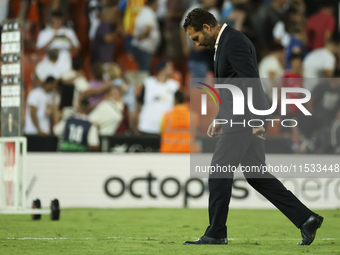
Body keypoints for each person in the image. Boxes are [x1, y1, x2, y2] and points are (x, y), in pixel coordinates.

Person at [182, 8, 323, 246]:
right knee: (257, 175)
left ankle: (216, 233)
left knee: (218, 172)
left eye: (196, 38)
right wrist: (220, 117)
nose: (196, 44)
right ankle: (306, 218)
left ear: (206, 27)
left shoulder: (233, 41)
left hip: (244, 119)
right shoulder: (226, 42)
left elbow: (250, 81)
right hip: (241, 117)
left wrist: (257, 120)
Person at [137, 60, 179, 135]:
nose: (172, 69)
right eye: (170, 67)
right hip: (147, 126)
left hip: (165, 127)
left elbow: (177, 106)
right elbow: (139, 103)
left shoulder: (174, 86)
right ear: (163, 68)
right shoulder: (148, 83)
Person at [36, 10, 80, 75]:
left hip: (65, 65)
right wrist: (51, 40)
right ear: (52, 19)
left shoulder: (69, 32)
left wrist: (69, 40)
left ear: (63, 20)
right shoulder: (44, 33)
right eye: (56, 19)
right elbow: (38, 50)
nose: (58, 22)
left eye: (60, 19)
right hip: (49, 64)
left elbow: (78, 49)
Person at [131, 0, 161, 71]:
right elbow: (148, 28)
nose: (158, 6)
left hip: (144, 48)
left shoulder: (146, 12)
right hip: (143, 48)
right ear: (154, 4)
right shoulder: (148, 12)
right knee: (144, 72)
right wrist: (141, 37)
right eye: (157, 4)